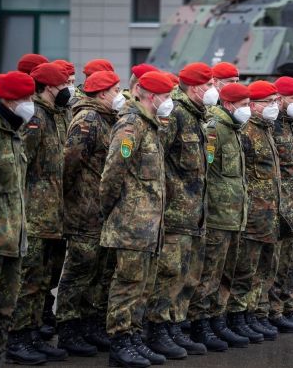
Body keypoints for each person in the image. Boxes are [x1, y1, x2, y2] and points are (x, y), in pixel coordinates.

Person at [100, 71, 174, 367]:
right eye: (166, 96)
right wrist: (113, 212)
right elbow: (112, 173)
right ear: (152, 97)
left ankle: (132, 337)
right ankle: (120, 342)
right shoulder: (131, 124)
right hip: (131, 223)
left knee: (143, 285)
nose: (169, 101)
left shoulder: (150, 125)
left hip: (149, 225)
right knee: (127, 284)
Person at [145, 62, 216, 357]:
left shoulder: (198, 116)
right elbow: (155, 158)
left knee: (188, 276)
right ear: (195, 87)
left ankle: (175, 326)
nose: (213, 89)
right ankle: (157, 329)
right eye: (208, 84)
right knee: (169, 274)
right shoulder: (175, 114)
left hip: (194, 213)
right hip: (175, 213)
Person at [7, 62, 71, 365]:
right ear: (47, 88)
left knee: (43, 281)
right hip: (34, 214)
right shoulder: (34, 119)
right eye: (61, 86)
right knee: (29, 281)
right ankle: (17, 338)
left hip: (51, 215)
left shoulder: (54, 115)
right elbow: (22, 165)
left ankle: (32, 334)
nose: (66, 90)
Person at [56, 71, 123, 357]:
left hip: (101, 210)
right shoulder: (88, 120)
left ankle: (88, 323)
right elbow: (69, 164)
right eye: (115, 90)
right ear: (102, 93)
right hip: (85, 210)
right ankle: (68, 327)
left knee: (97, 271)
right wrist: (76, 199)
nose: (120, 94)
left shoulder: (108, 118)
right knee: (79, 271)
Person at [187, 83, 251, 349]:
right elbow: (206, 171)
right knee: (209, 274)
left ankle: (217, 320)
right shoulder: (215, 130)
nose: (248, 109)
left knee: (226, 273)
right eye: (243, 104)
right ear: (229, 104)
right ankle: (200, 323)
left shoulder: (234, 129)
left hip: (233, 215)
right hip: (217, 215)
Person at [227, 81, 281, 342]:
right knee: (244, 269)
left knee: (261, 269)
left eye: (275, 101)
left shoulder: (265, 129)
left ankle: (251, 314)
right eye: (268, 102)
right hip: (252, 214)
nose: (274, 106)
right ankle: (237, 316)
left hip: (267, 214)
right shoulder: (247, 131)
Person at [0, 72, 38, 368]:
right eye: (26, 98)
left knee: (4, 310)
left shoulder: (14, 131)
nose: (30, 104)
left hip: (13, 238)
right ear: (9, 100)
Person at [264, 76, 293, 333]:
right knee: (273, 260)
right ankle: (270, 311)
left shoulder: (291, 123)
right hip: (276, 204)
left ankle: (281, 308)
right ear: (280, 99)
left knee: (288, 260)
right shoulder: (271, 125)